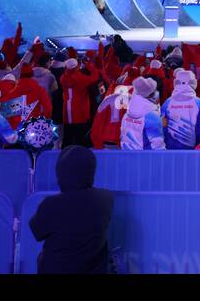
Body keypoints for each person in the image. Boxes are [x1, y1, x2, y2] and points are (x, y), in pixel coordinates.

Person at [28, 145, 114, 274]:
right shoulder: (106, 198)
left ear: (60, 173)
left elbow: (37, 232)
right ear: (91, 171)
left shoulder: (51, 205)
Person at [162, 68, 200, 149]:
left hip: (170, 148)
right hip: (191, 148)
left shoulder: (167, 102)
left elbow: (162, 125)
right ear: (193, 82)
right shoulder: (198, 102)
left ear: (176, 82)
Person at [60, 56, 100, 147]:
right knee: (81, 141)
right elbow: (95, 77)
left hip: (67, 113)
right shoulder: (81, 78)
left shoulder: (63, 78)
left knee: (67, 139)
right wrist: (89, 65)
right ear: (77, 67)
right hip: (80, 113)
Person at [120, 77, 166, 150]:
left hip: (127, 155)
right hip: (145, 158)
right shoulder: (152, 118)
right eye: (155, 90)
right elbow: (158, 147)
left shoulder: (127, 113)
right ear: (151, 94)